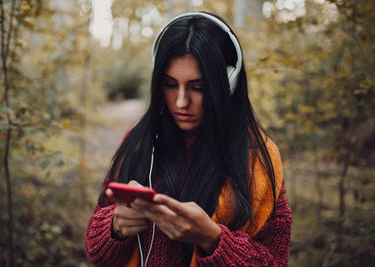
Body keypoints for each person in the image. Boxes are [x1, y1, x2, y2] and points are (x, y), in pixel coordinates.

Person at [85, 11, 292, 267]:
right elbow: (95, 251)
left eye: (198, 87)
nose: (181, 102)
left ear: (228, 82)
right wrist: (115, 227)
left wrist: (213, 240)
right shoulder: (140, 139)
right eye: (170, 85)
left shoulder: (259, 157)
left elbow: (274, 261)